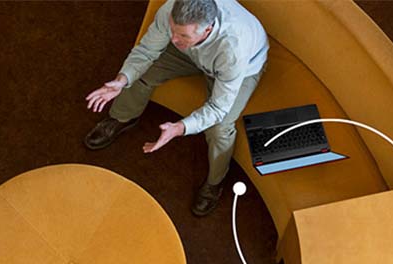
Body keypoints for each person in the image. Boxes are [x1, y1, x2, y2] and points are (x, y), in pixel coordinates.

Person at [84, 0, 268, 216]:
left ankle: (215, 182)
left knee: (220, 128)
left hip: (242, 69)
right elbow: (145, 52)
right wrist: (121, 80)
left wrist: (180, 127)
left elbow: (218, 108)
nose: (173, 38)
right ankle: (122, 117)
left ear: (207, 30)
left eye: (182, 35)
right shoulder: (172, 13)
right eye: (172, 31)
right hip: (191, 54)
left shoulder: (233, 49)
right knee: (142, 74)